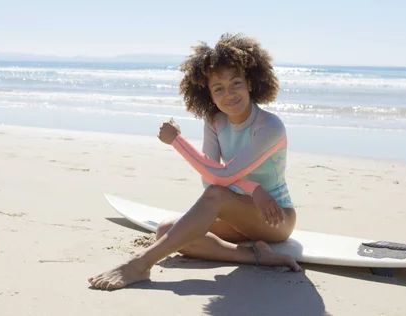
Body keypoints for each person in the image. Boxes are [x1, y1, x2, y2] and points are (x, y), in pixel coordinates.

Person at [88, 33, 300, 291]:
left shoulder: (269, 126)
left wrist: (177, 141)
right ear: (208, 94)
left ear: (251, 83)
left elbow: (221, 178)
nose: (229, 94)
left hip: (274, 218)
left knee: (216, 195)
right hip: (236, 216)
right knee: (166, 229)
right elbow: (209, 176)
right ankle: (254, 255)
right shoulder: (215, 122)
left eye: (236, 83)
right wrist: (254, 189)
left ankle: (139, 264)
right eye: (218, 88)